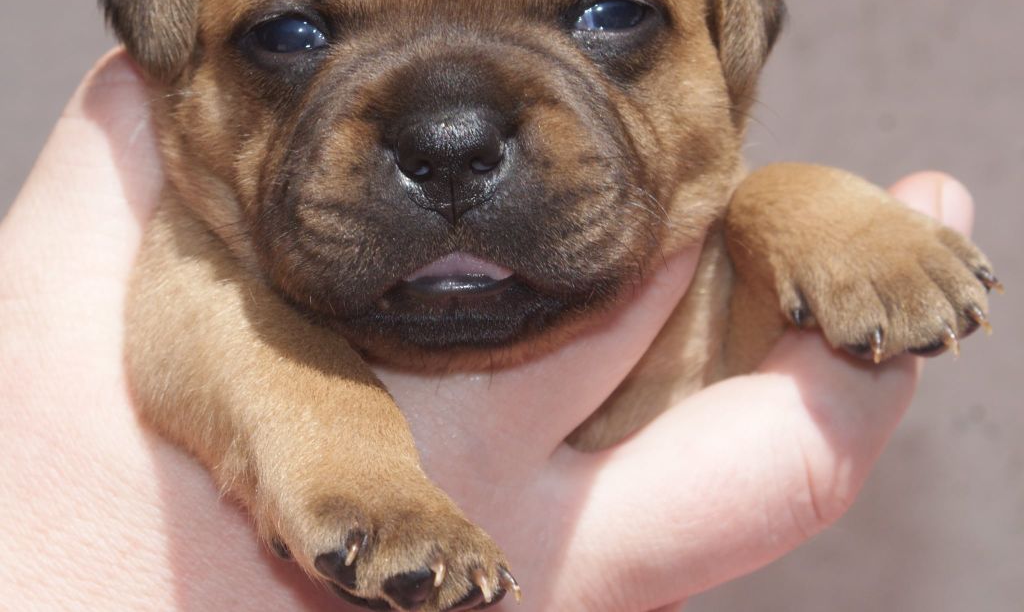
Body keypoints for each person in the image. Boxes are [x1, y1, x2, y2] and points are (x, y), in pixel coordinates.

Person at [1, 51, 973, 611]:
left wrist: (814, 218)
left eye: (607, 17)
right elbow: (198, 313)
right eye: (296, 34)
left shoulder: (687, 238)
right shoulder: (208, 240)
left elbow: (733, 298)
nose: (451, 138)